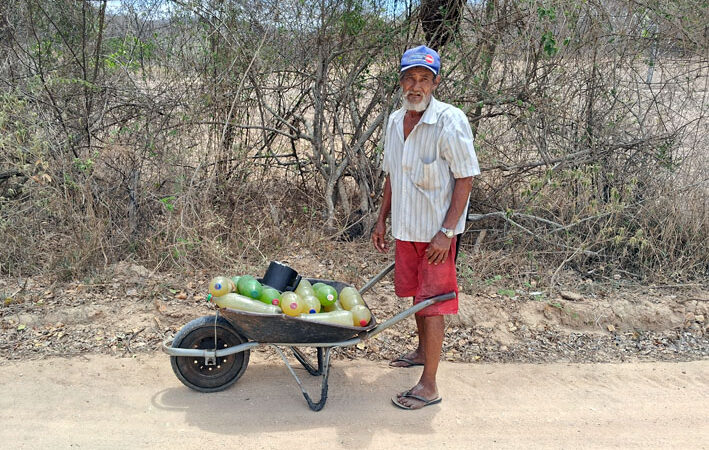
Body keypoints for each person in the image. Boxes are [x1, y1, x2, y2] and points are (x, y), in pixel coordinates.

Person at [372, 45, 480, 410]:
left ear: (435, 83)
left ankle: (429, 385)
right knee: (417, 296)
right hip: (406, 227)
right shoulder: (393, 121)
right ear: (401, 82)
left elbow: (465, 179)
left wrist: (447, 232)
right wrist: (381, 219)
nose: (415, 86)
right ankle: (421, 352)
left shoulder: (450, 121)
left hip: (437, 234)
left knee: (433, 304)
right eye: (409, 78)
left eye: (423, 79)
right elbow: (392, 174)